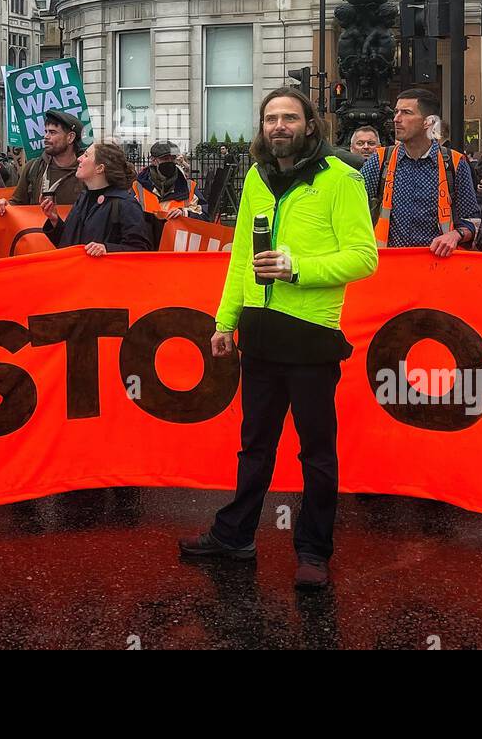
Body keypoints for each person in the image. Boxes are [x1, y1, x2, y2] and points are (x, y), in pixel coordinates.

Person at [178, 87, 378, 591]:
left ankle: (313, 550)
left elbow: (364, 256)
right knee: (254, 446)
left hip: (311, 337)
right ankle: (236, 535)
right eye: (271, 118)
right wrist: (226, 322)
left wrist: (297, 269)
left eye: (290, 117)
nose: (279, 126)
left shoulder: (342, 179)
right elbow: (241, 256)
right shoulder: (256, 177)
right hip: (260, 335)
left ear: (310, 125)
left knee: (316, 452)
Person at [357, 89, 481, 255]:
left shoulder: (455, 163)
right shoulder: (380, 160)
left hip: (437, 268)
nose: (396, 119)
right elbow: (351, 206)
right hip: (390, 266)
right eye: (396, 112)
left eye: (406, 113)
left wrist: (455, 235)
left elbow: (473, 221)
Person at [42, 142, 152, 256]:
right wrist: (54, 220)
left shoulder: (126, 204)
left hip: (104, 273)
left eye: (86, 155)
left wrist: (107, 249)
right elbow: (67, 243)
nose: (79, 159)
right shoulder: (83, 198)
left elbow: (140, 250)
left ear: (100, 168)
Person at [0, 109, 84, 215]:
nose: (46, 137)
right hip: (38, 231)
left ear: (70, 137)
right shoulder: (33, 167)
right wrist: (5, 205)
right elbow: (17, 203)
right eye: (46, 132)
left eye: (52, 132)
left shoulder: (87, 170)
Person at [132, 141, 202, 220]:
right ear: (153, 160)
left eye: (173, 158)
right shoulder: (138, 186)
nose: (170, 162)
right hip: (148, 231)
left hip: (175, 231)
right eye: (165, 159)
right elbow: (129, 215)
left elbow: (203, 215)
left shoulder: (189, 186)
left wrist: (185, 213)